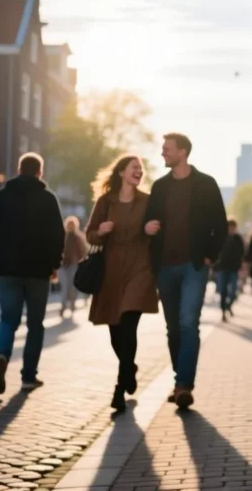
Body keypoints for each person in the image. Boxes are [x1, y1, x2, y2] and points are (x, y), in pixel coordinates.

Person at [144, 133, 227, 408]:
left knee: (188, 323)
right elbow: (147, 221)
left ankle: (183, 386)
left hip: (193, 266)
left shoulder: (206, 184)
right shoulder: (159, 187)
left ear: (183, 152)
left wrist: (209, 256)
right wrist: (148, 228)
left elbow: (221, 225)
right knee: (173, 329)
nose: (163, 153)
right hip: (164, 267)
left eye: (167, 149)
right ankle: (180, 378)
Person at [0, 153, 65, 394]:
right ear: (40, 172)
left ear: (18, 170)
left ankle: (0, 355)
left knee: (8, 318)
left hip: (7, 271)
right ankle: (29, 375)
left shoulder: (1, 197)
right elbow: (58, 236)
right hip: (39, 272)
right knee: (35, 324)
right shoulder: (48, 199)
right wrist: (53, 264)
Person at [85, 155, 160, 412]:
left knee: (129, 322)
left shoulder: (148, 201)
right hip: (111, 269)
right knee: (116, 331)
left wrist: (152, 229)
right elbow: (90, 233)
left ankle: (119, 388)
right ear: (121, 173)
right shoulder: (106, 201)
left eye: (141, 168)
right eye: (134, 167)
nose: (139, 171)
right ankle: (129, 367)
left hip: (140, 266)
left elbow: (158, 230)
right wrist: (101, 231)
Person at [215, 218, 245, 322]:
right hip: (223, 267)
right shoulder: (222, 237)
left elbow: (242, 253)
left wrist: (242, 267)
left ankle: (228, 305)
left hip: (234, 269)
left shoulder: (238, 239)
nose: (231, 229)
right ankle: (223, 312)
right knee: (223, 291)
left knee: (233, 292)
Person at [58, 216, 88, 317]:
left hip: (73, 264)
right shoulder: (62, 236)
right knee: (65, 287)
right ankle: (63, 305)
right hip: (62, 265)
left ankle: (72, 304)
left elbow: (83, 251)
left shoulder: (78, 237)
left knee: (72, 286)